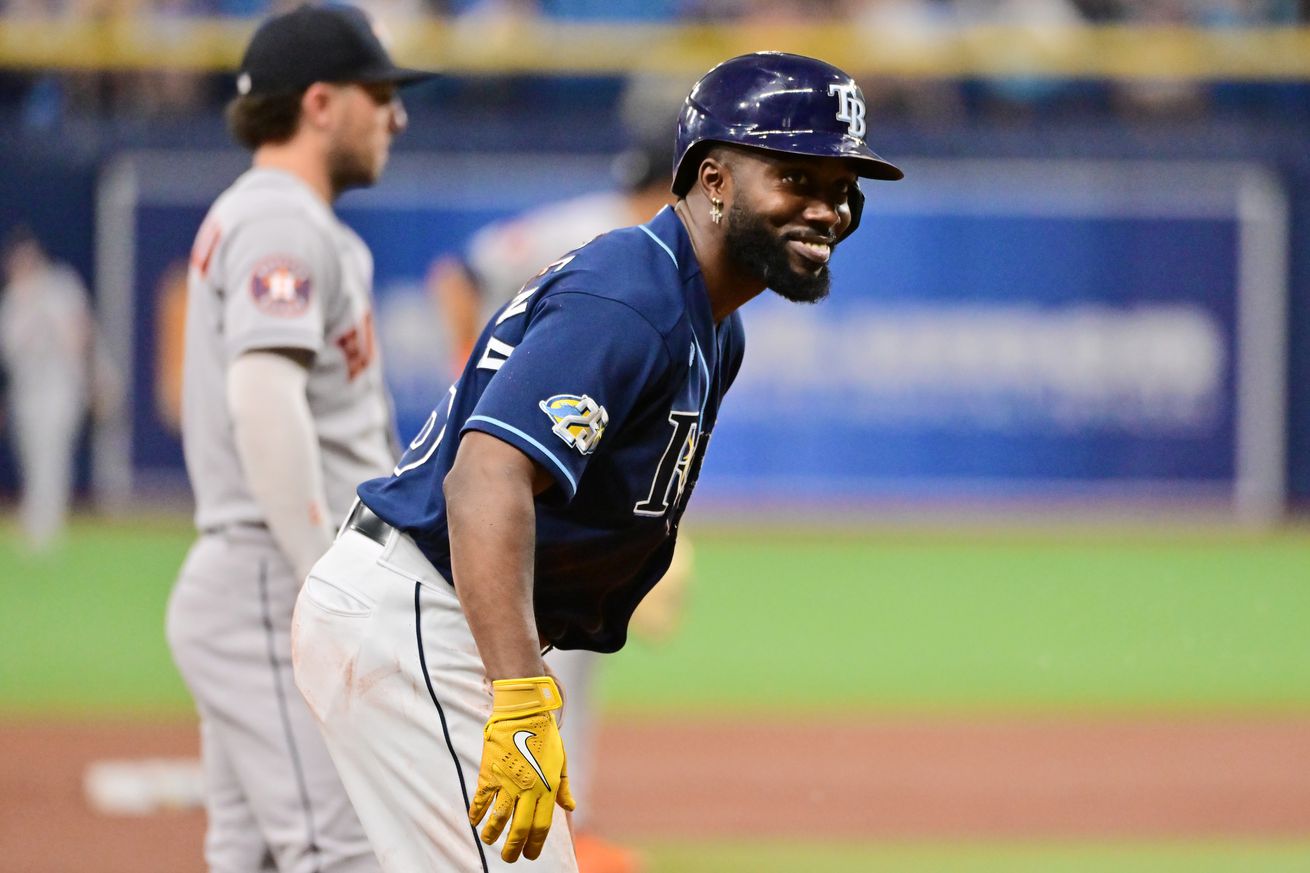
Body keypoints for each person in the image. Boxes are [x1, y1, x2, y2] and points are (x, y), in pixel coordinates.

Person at [291, 51, 903, 871]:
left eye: (842, 188)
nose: (827, 209)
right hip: (421, 620)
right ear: (714, 180)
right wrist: (515, 695)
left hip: (435, 618)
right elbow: (486, 476)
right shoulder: (633, 292)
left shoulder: (713, 324)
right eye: (797, 177)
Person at [163, 6, 433, 871]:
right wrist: (325, 581)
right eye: (379, 93)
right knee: (342, 851)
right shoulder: (280, 219)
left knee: (255, 854)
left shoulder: (298, 224)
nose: (396, 115)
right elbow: (264, 397)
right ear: (320, 103)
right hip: (271, 578)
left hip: (265, 576)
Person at [428, 128, 683, 873]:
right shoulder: (591, 232)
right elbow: (457, 273)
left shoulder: (653, 258)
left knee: (569, 640)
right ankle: (532, 820)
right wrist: (471, 371)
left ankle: (565, 819)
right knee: (534, 642)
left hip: (570, 455)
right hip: (514, 450)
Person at [0, 226, 96, 551]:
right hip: (27, 390)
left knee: (52, 455)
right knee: (31, 455)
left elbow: (79, 334)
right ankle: (35, 519)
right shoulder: (14, 300)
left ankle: (49, 524)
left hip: (60, 386)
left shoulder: (60, 286)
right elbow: (10, 350)